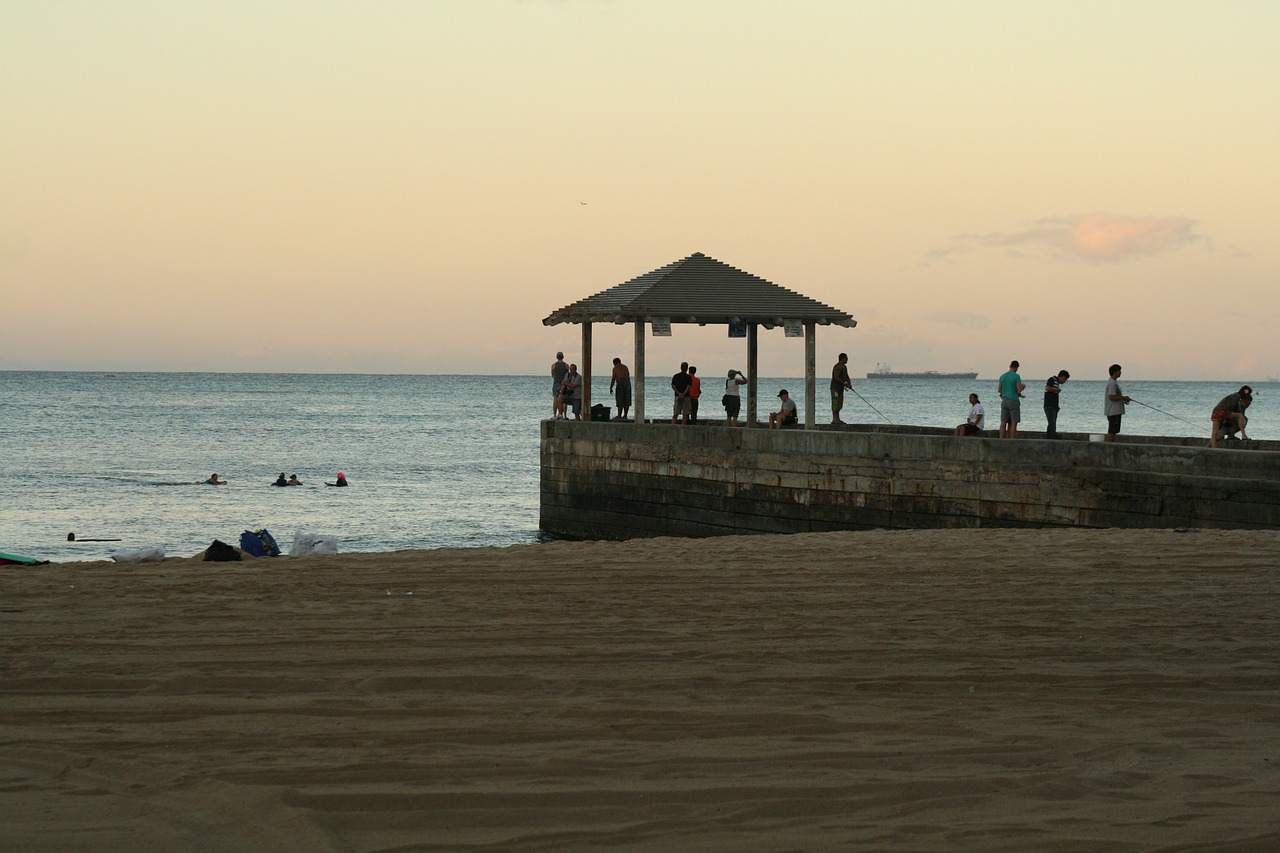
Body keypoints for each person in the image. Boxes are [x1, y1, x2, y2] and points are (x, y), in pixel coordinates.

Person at [997, 360, 1025, 439]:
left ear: (1010, 366)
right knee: (1013, 422)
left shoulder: (1002, 376)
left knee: (1003, 421)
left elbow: (999, 390)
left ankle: (1001, 439)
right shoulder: (1016, 376)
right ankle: (1012, 440)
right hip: (1013, 400)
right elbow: (1019, 389)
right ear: (1017, 368)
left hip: (1004, 400)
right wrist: (1023, 387)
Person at [1104, 363, 1130, 442]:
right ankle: (1110, 445)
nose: (1120, 372)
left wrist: (1124, 399)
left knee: (1114, 429)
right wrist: (1123, 397)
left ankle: (1111, 444)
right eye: (1119, 371)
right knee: (1112, 429)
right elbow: (1111, 396)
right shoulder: (1112, 383)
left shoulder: (1114, 382)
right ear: (1114, 372)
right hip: (1113, 411)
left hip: (1116, 411)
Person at [1043, 370, 1070, 440]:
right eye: (1065, 379)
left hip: (1054, 406)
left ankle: (1051, 437)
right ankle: (1051, 438)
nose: (1064, 382)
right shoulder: (1052, 379)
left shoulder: (1056, 382)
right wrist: (1056, 389)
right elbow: (1047, 388)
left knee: (1052, 423)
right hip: (1050, 406)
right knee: (1052, 423)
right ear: (1063, 377)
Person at [831, 353, 853, 424]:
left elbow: (846, 376)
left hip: (841, 389)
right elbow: (836, 377)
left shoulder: (844, 367)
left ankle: (838, 418)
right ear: (842, 358)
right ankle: (834, 419)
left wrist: (849, 383)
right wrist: (844, 383)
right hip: (835, 388)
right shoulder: (837, 367)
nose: (847, 360)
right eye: (846, 358)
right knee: (835, 402)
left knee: (839, 403)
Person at [551, 352, 570, 419]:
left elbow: (553, 375)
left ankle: (554, 415)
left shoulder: (553, 365)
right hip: (564, 384)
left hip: (556, 383)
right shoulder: (566, 365)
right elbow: (568, 375)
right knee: (564, 400)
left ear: (557, 357)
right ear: (563, 357)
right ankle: (564, 415)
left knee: (555, 399)